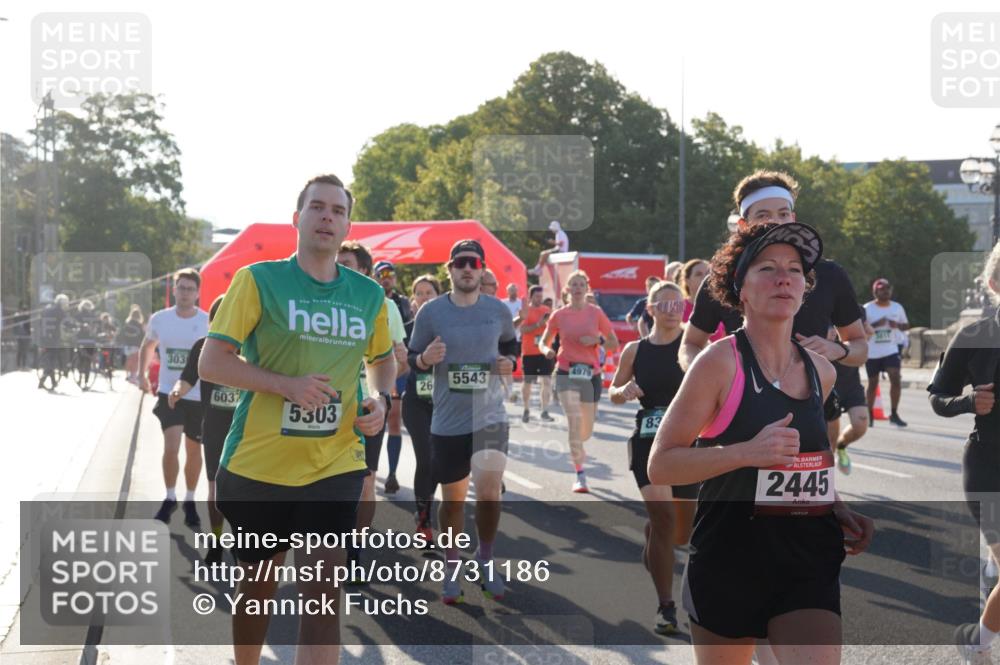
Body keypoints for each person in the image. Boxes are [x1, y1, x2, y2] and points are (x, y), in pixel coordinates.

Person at [649, 222, 873, 665]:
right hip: (730, 558)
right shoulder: (718, 363)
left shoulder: (821, 371)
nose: (784, 277)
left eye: (794, 269)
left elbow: (803, 460)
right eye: (767, 268)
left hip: (807, 557)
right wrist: (746, 453)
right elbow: (661, 464)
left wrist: (836, 503)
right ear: (741, 290)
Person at [199, 174, 393, 665]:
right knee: (258, 586)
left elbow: (382, 359)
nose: (327, 216)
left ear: (349, 225)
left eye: (338, 210)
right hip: (260, 464)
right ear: (297, 218)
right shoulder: (258, 280)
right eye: (317, 207)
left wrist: (379, 398)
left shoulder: (368, 295)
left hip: (335, 462)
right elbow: (213, 362)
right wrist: (286, 385)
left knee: (324, 588)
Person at [678, 171, 868, 425]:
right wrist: (705, 379)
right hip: (739, 414)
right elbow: (689, 344)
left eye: (783, 214)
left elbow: (860, 348)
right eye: (763, 215)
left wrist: (837, 349)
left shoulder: (829, 275)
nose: (776, 223)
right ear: (743, 226)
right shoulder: (721, 279)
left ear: (793, 217)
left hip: (813, 410)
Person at [408, 239, 518, 603]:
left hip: (490, 416)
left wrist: (509, 363)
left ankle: (485, 561)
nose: (467, 268)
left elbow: (509, 347)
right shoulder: (431, 313)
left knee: (488, 493)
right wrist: (425, 358)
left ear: (482, 269)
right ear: (450, 269)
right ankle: (452, 566)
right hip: (448, 419)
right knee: (453, 500)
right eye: (460, 263)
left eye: (474, 263)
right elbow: (413, 358)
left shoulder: (498, 310)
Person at [609, 280, 698, 635]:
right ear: (650, 308)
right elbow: (614, 391)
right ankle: (666, 607)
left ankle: (656, 534)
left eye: (677, 304)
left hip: (689, 442)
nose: (671, 310)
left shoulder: (695, 346)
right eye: (663, 304)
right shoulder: (635, 350)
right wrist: (624, 391)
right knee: (664, 519)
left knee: (679, 533)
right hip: (648, 441)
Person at [926, 241, 1000, 664]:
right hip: (990, 465)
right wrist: (969, 402)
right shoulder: (975, 335)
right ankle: (978, 641)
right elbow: (939, 395)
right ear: (993, 284)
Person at [337, 241, 409, 573]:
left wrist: (383, 394)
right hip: (327, 405)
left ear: (365, 271)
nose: (339, 268)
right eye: (338, 262)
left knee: (365, 481)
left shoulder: (381, 304)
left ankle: (356, 551)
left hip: (366, 405)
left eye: (348, 263)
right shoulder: (317, 300)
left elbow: (395, 357)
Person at [139, 268, 209, 527]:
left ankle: (190, 500)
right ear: (174, 290)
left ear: (198, 293)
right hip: (170, 393)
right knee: (171, 446)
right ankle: (170, 497)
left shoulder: (206, 322)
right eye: (181, 288)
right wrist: (142, 374)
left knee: (194, 451)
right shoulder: (160, 319)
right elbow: (148, 345)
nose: (185, 293)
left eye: (190, 289)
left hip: (198, 395)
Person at [538, 270, 619, 493]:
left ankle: (578, 446)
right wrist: (546, 351)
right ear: (567, 290)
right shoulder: (559, 315)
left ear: (587, 288)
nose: (577, 288)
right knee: (574, 420)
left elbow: (613, 343)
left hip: (591, 375)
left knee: (586, 430)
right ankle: (580, 474)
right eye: (573, 284)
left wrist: (598, 340)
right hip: (565, 370)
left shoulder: (596, 313)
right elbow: (544, 341)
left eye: (581, 284)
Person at [169, 295, 232, 564]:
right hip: (216, 429)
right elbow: (188, 378)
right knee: (216, 488)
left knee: (245, 492)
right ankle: (216, 539)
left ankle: (243, 539)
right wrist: (177, 391)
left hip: (249, 431)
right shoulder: (203, 347)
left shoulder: (254, 347)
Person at [401, 274, 442, 541]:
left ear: (439, 296)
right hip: (415, 402)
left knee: (438, 463)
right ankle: (424, 521)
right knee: (425, 458)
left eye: (429, 292)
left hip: (446, 404)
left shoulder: (452, 327)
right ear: (413, 299)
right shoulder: (405, 328)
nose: (424, 297)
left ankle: (425, 507)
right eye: (420, 293)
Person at [373, 259, 414, 492]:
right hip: (373, 368)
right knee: (375, 422)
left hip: (398, 367)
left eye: (390, 273)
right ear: (376, 277)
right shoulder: (370, 297)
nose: (386, 277)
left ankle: (392, 474)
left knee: (394, 420)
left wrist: (404, 362)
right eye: (382, 273)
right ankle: (371, 471)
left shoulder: (403, 303)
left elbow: (407, 339)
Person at [826, 316, 874, 475]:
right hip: (827, 380)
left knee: (861, 424)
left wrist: (867, 334)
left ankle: (842, 447)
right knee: (830, 435)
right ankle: (827, 478)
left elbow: (864, 337)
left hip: (851, 381)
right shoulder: (816, 305)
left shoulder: (854, 308)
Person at [864, 278, 909, 427]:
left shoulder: (897, 308)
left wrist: (897, 325)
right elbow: (861, 329)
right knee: (872, 383)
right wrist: (877, 324)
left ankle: (894, 414)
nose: (886, 291)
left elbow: (906, 325)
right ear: (875, 291)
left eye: (888, 289)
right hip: (872, 352)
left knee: (895, 378)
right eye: (882, 289)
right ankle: (869, 414)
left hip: (891, 349)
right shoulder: (867, 308)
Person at [519, 285, 555, 423]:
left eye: (541, 296)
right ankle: (526, 409)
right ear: (531, 296)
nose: (539, 299)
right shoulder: (526, 311)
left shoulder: (547, 310)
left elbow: (553, 328)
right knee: (527, 381)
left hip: (544, 351)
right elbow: (522, 330)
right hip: (529, 352)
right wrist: (538, 324)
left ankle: (544, 410)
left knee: (546, 381)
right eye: (537, 297)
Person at [680, 258, 726, 342]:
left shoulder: (721, 305)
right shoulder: (679, 306)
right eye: (698, 274)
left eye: (708, 273)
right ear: (687, 280)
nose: (705, 277)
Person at [37, 294, 69, 390]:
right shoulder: (60, 312)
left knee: (50, 360)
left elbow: (40, 323)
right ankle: (44, 379)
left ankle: (52, 382)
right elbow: (67, 323)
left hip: (44, 339)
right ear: (62, 303)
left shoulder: (46, 310)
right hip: (54, 339)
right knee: (53, 360)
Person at [118, 304, 145, 383]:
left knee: (129, 359)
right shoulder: (139, 325)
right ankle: (133, 375)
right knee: (135, 361)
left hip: (127, 345)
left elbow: (122, 334)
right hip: (136, 345)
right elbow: (142, 336)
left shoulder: (127, 323)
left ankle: (128, 374)